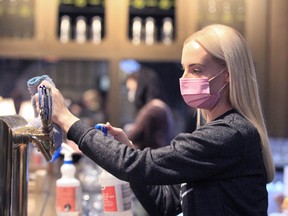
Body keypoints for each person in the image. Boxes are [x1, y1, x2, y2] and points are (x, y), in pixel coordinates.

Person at [35, 24, 275, 215]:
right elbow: (164, 205)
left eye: (197, 70)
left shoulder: (229, 134)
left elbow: (136, 165)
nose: (185, 78)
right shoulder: (217, 132)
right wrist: (128, 149)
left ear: (227, 77)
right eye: (184, 69)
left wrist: (67, 120)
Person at [124, 65, 175, 150]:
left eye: (132, 89)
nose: (131, 93)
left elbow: (131, 137)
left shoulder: (153, 109)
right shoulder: (160, 106)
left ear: (141, 87)